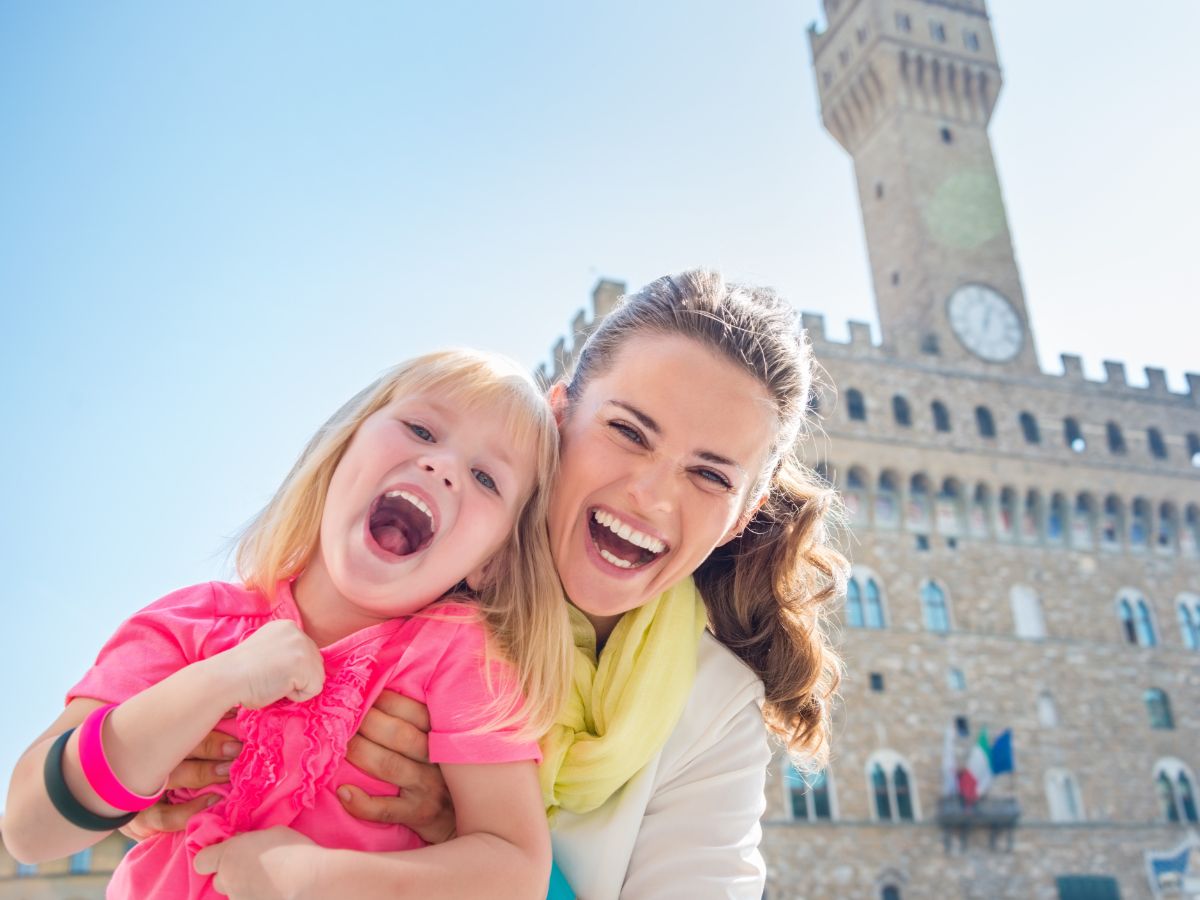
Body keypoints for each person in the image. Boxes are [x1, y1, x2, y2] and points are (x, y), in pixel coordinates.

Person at [135, 269, 849, 900]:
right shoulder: (395, 587)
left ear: (741, 518)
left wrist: (467, 844)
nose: (651, 496)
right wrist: (161, 761)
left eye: (710, 475)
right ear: (558, 414)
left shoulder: (713, 711)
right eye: (629, 432)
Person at [3, 349, 573, 900]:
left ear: (492, 561)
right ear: (343, 446)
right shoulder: (189, 625)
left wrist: (319, 881)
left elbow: (515, 869)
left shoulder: (463, 659)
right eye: (422, 431)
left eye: (486, 477)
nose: (441, 466)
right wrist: (218, 680)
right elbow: (30, 828)